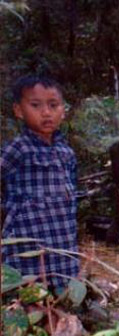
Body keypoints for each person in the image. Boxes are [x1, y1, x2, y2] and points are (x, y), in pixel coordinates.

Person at [1, 75, 79, 291]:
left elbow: (72, 192)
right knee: (25, 288)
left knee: (64, 287)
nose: (46, 112)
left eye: (53, 105)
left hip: (62, 237)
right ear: (19, 110)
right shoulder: (18, 149)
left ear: (63, 110)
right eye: (35, 105)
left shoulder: (66, 152)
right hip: (27, 238)